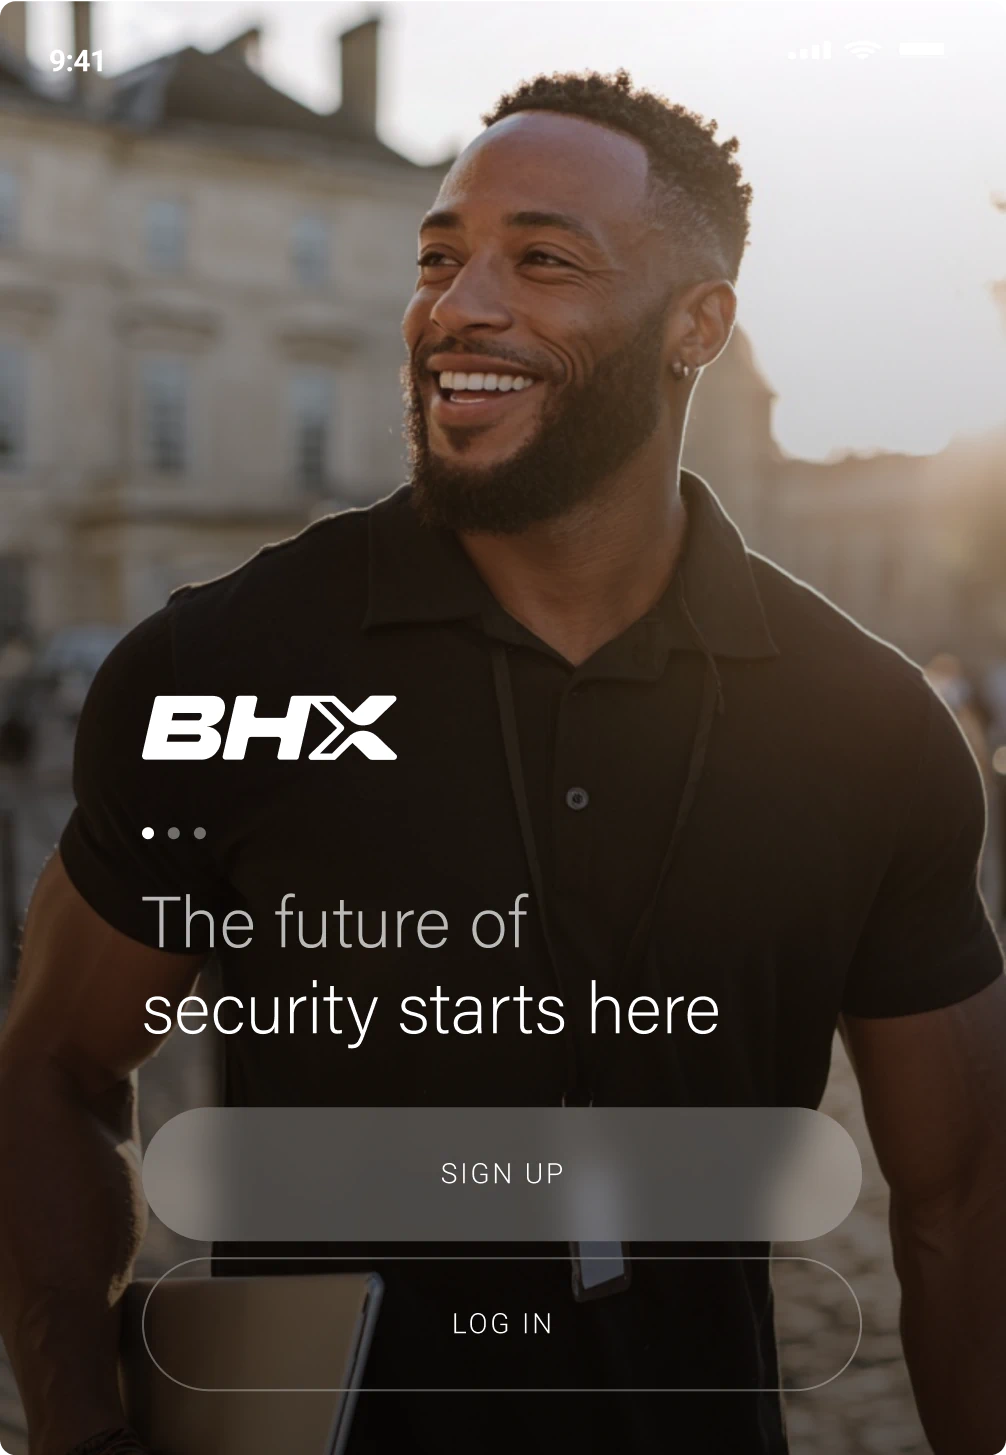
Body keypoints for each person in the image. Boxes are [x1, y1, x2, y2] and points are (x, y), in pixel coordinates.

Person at [1, 67, 1005, 1455]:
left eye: (541, 260)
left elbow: (961, 1201)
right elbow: (51, 1070)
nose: (457, 306)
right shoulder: (220, 666)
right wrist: (79, 1428)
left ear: (697, 326)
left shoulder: (866, 723)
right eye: (439, 257)